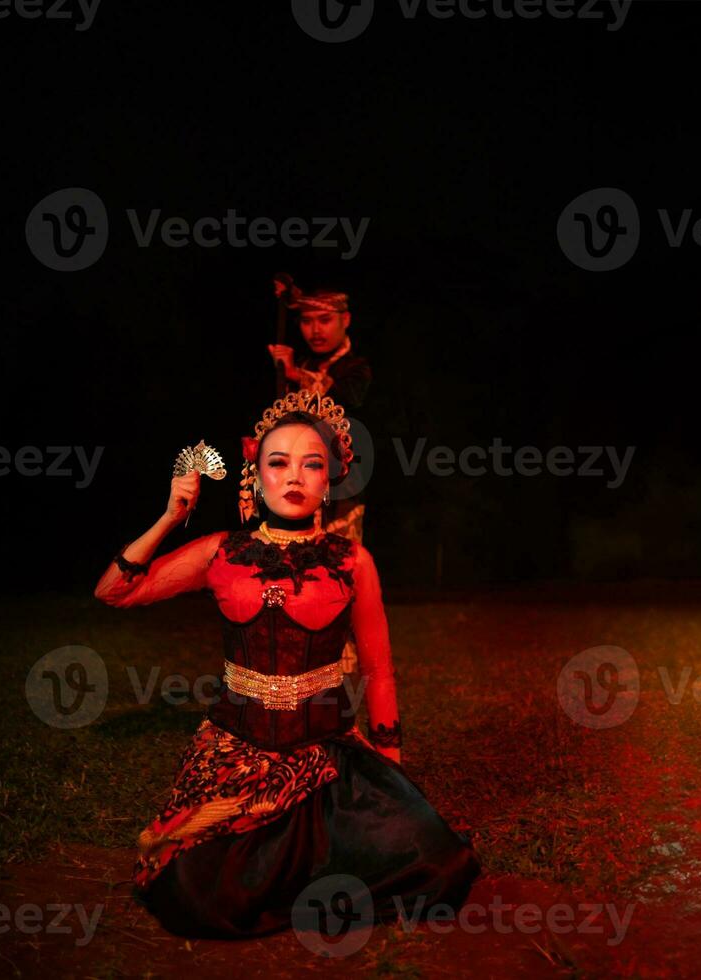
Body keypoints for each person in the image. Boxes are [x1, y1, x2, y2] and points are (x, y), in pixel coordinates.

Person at [93, 388, 479, 938]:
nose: (294, 476)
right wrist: (169, 515)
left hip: (329, 756)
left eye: (311, 464)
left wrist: (391, 765)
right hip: (237, 755)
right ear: (255, 476)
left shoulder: (352, 561)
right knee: (196, 894)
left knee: (440, 864)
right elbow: (113, 592)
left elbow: (379, 669)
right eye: (278, 462)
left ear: (328, 480)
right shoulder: (222, 553)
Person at [267, 282, 371, 543]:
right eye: (306, 321)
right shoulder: (302, 364)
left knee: (340, 563)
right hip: (301, 481)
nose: (315, 330)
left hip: (344, 488)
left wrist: (295, 375)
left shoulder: (358, 367)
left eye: (324, 320)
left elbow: (348, 397)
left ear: (345, 319)